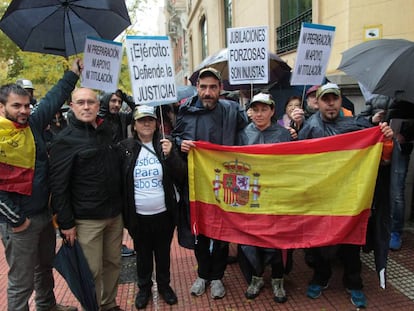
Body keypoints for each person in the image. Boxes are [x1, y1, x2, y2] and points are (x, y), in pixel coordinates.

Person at [298, 83, 394, 309]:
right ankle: (321, 277)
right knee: (318, 240)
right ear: (318, 102)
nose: (330, 103)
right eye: (325, 99)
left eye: (334, 98)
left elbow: (382, 157)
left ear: (341, 101)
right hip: (319, 197)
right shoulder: (309, 127)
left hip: (349, 197)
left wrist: (385, 138)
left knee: (351, 242)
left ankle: (354, 283)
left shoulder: (356, 126)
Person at [0, 59, 81, 311]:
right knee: (21, 283)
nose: (24, 110)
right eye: (16, 106)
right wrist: (18, 220)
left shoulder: (32, 125)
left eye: (26, 105)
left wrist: (72, 74)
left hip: (44, 216)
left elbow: (53, 100)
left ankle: (47, 306)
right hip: (19, 223)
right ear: (2, 107)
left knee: (44, 268)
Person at [172, 67, 248, 299]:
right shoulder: (185, 110)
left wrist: (290, 130)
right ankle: (203, 274)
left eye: (212, 87)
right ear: (197, 88)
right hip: (196, 183)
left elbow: (251, 133)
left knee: (223, 232)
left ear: (220, 89)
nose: (207, 92)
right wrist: (179, 143)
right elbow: (176, 136)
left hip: (227, 182)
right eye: (203, 87)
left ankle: (218, 277)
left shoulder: (233, 110)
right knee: (200, 231)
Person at [49, 87, 124, 311]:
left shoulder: (107, 130)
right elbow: (59, 186)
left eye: (90, 102)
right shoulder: (64, 140)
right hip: (86, 220)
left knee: (113, 264)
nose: (86, 106)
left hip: (114, 215)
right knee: (91, 271)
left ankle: (109, 305)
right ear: (72, 107)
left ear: (97, 105)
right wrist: (66, 224)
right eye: (80, 102)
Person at [118, 105, 186, 309]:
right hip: (138, 216)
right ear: (135, 125)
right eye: (141, 120)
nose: (146, 123)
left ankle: (165, 286)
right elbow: (119, 182)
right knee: (143, 256)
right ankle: (144, 288)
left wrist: (172, 154)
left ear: (157, 124)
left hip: (164, 214)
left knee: (163, 254)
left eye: (150, 119)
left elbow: (182, 175)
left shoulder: (166, 144)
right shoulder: (124, 148)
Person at [238, 92, 292, 303]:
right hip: (251, 197)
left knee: (277, 239)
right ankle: (256, 277)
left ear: (272, 111)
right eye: (256, 109)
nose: (259, 114)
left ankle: (278, 279)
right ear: (250, 111)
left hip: (276, 196)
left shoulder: (284, 134)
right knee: (252, 238)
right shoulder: (243, 134)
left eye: (264, 109)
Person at [99, 89, 136, 257]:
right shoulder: (97, 118)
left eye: (119, 102)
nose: (117, 104)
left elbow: (137, 109)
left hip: (120, 167)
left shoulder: (122, 117)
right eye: (113, 100)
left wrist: (125, 95)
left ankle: (117, 244)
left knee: (119, 208)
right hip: (102, 169)